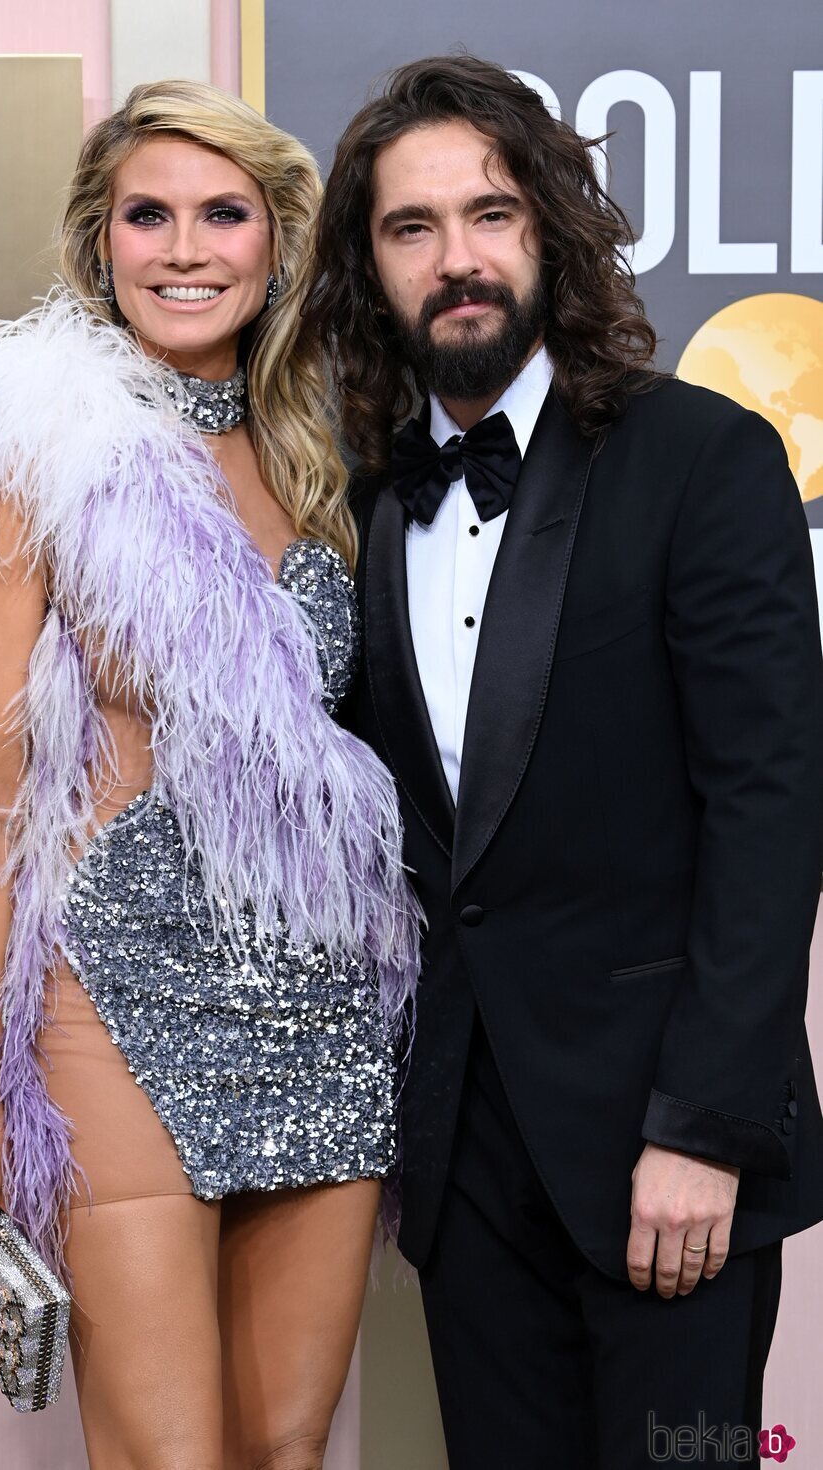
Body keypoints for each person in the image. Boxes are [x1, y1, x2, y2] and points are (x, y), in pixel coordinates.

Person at [0, 80, 420, 1470]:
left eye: (222, 213)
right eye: (146, 214)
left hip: (320, 997)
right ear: (98, 243)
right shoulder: (35, 444)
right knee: (171, 1458)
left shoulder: (329, 448)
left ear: (277, 241)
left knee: (287, 1446)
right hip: (113, 995)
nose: (184, 246)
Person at [305, 54, 823, 1469]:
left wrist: (707, 1129)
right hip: (468, 1169)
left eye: (491, 214)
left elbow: (771, 811)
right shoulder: (362, 499)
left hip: (667, 1151)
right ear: (370, 262)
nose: (457, 260)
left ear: (552, 230)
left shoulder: (701, 458)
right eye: (412, 228)